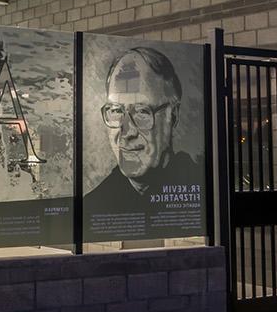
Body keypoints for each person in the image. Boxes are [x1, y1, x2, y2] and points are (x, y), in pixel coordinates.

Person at [83, 47, 203, 230]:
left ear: (173, 116)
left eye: (141, 111)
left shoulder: (202, 190)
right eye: (116, 111)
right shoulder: (92, 206)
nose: (126, 132)